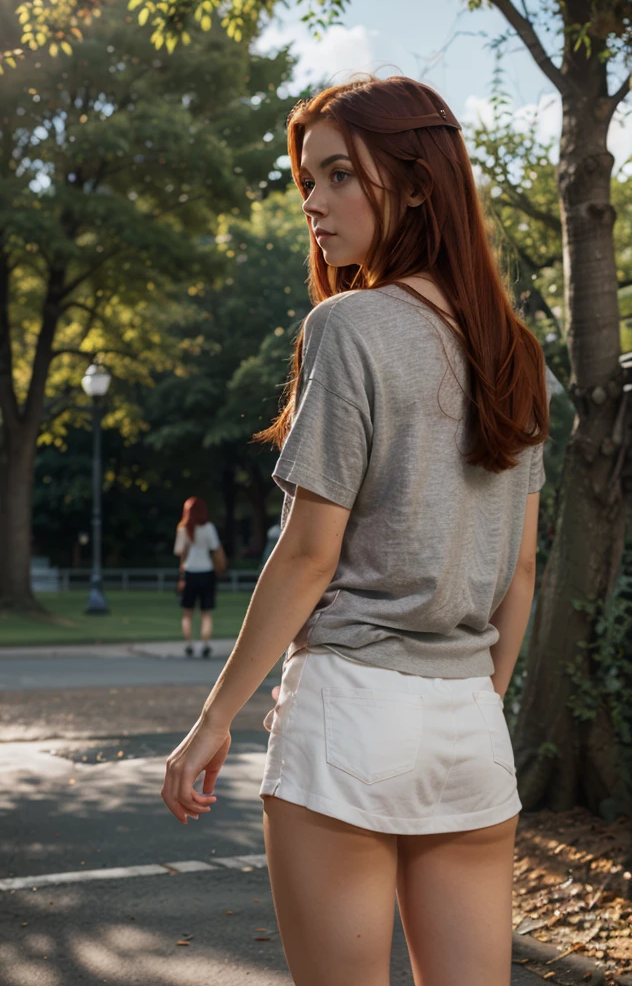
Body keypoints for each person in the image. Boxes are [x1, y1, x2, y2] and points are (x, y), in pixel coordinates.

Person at [161, 74, 556, 986]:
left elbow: (308, 552)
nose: (314, 201)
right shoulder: (516, 352)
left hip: (351, 715)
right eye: (306, 180)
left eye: (340, 174)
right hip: (468, 727)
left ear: (419, 182)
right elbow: (522, 572)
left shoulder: (349, 325)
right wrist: (471, 701)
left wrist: (212, 720)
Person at [173, 497, 223, 658]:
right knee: (206, 613)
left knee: (187, 613)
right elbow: (215, 548)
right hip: (206, 571)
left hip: (190, 572)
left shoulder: (183, 528)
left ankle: (189, 644)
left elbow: (179, 552)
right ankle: (205, 644)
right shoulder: (208, 527)